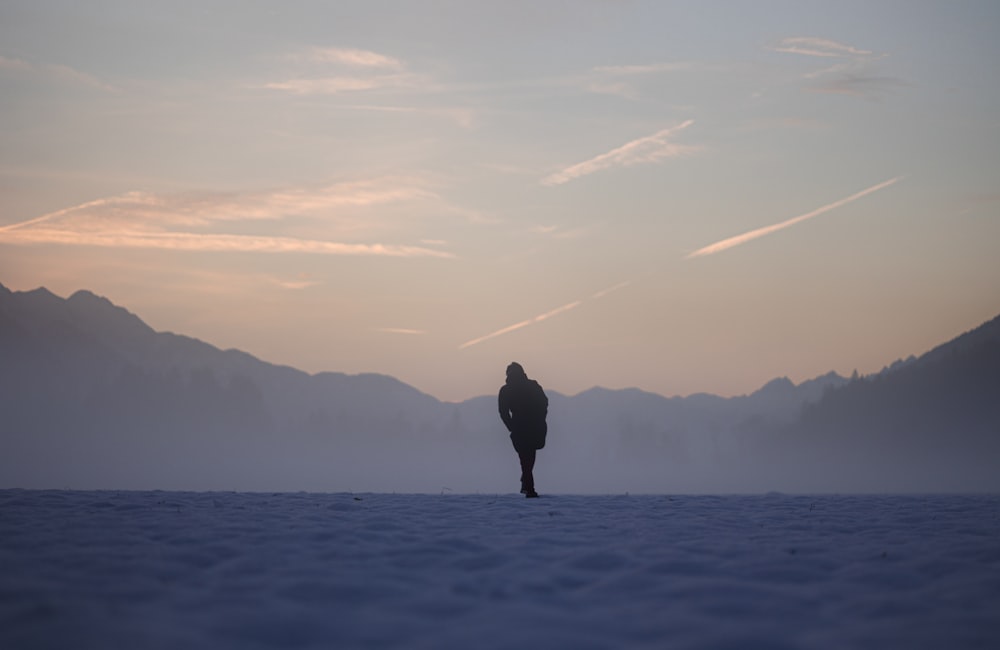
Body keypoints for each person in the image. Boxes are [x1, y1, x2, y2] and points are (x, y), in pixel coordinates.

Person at [498, 362, 548, 498]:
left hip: (521, 427)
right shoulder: (532, 385)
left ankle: (527, 486)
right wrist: (540, 418)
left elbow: (503, 412)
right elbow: (544, 403)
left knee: (525, 458)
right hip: (533, 426)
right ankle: (528, 487)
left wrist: (512, 426)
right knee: (529, 457)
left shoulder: (506, 390)